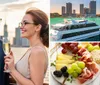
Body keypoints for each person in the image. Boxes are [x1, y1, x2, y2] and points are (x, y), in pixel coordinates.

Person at [4, 7, 49, 85]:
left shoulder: (37, 51)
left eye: (25, 23)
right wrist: (11, 67)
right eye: (21, 23)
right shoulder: (32, 49)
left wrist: (12, 69)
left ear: (37, 27)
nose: (21, 27)